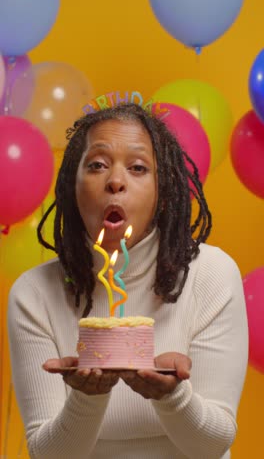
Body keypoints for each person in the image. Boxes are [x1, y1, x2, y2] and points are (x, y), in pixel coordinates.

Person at [8, 102, 248, 459]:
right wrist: (87, 397)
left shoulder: (211, 275)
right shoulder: (33, 293)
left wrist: (172, 396)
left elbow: (213, 445)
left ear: (163, 191)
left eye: (138, 168)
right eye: (97, 165)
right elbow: (47, 454)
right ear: (72, 187)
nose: (115, 181)